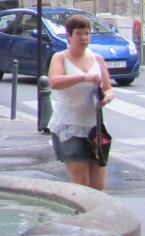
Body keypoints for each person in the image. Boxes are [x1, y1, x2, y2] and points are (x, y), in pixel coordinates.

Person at [47, 12, 112, 190]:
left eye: (87, 33)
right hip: (69, 126)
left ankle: (93, 218)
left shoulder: (97, 59)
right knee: (82, 183)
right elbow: (54, 82)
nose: (83, 38)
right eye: (79, 34)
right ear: (69, 36)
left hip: (94, 127)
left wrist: (107, 96)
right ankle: (79, 217)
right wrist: (83, 77)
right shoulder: (60, 57)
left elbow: (107, 87)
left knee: (98, 187)